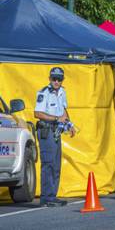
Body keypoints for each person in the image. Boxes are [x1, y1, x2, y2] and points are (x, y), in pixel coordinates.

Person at [34, 67, 75, 207]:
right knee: (48, 164)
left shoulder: (62, 92)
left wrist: (69, 124)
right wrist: (57, 118)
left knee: (56, 165)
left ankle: (52, 195)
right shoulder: (44, 93)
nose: (56, 81)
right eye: (54, 79)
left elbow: (63, 110)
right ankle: (46, 197)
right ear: (49, 78)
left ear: (62, 79)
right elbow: (37, 113)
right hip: (46, 130)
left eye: (59, 79)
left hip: (56, 132)